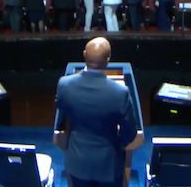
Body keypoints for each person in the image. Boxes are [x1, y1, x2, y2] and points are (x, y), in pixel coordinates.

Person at [55, 38, 139, 187]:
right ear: (108, 60)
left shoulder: (64, 85)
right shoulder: (120, 92)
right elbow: (130, 131)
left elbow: (62, 113)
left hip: (77, 162)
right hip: (109, 164)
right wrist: (120, 145)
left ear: (84, 54)